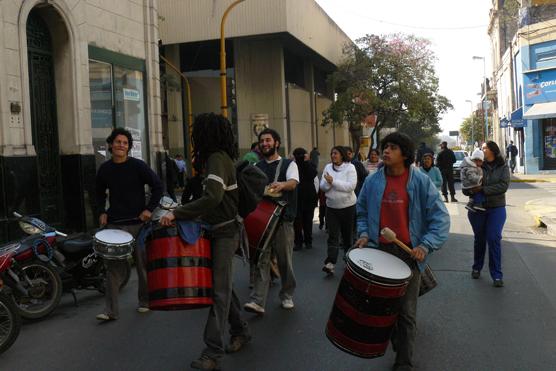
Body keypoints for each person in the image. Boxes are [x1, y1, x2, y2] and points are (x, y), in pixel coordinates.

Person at [159, 113, 250, 371]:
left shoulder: (217, 159)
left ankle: (212, 352)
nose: (193, 138)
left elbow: (212, 198)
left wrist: (176, 212)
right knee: (223, 286)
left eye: (197, 133)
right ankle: (240, 330)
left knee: (218, 292)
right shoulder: (216, 159)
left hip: (224, 233)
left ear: (206, 134)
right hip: (216, 231)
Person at [355, 132, 449, 371]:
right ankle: (397, 339)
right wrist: (364, 234)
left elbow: (440, 217)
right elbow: (362, 212)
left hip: (409, 254)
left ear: (405, 154)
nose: (386, 151)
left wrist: (424, 245)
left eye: (393, 147)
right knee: (382, 308)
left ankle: (404, 361)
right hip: (379, 253)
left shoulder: (420, 181)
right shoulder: (373, 181)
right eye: (385, 147)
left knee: (406, 312)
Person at [95, 127, 163, 321]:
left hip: (138, 225)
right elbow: (98, 192)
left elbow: (158, 186)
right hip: (115, 226)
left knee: (142, 265)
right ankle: (110, 311)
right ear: (110, 144)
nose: (121, 145)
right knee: (114, 268)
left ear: (129, 147)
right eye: (118, 142)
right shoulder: (105, 169)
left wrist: (149, 209)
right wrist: (101, 211)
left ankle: (145, 301)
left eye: (125, 143)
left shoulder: (138, 166)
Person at [244, 128, 298, 314]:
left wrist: (281, 184)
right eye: (262, 141)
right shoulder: (256, 167)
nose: (265, 143)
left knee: (284, 261)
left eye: (268, 140)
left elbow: (293, 182)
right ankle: (258, 300)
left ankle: (287, 294)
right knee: (261, 260)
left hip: (283, 220)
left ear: (276, 143)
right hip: (261, 222)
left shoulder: (289, 164)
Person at [463, 141, 510, 288]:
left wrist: (482, 190)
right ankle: (477, 267)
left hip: (497, 207)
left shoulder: (503, 166)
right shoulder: (476, 164)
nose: (482, 150)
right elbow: (465, 187)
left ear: (492, 151)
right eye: (482, 148)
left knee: (494, 238)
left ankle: (497, 275)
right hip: (477, 209)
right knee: (480, 239)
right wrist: (470, 190)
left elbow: (503, 186)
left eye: (485, 148)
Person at [320, 146, 357, 275]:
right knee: (333, 236)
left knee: (347, 237)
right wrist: (329, 183)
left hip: (348, 207)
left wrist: (333, 181)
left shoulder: (350, 167)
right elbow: (322, 187)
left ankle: (349, 261)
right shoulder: (328, 167)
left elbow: (350, 186)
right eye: (331, 153)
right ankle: (330, 263)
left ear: (342, 155)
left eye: (335, 153)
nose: (333, 155)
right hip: (331, 208)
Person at [293, 147, 319, 250]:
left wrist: (306, 162)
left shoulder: (307, 165)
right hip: (305, 196)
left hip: (303, 196)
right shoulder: (294, 166)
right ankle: (306, 241)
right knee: (306, 220)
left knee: (300, 220)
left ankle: (301, 242)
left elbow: (312, 174)